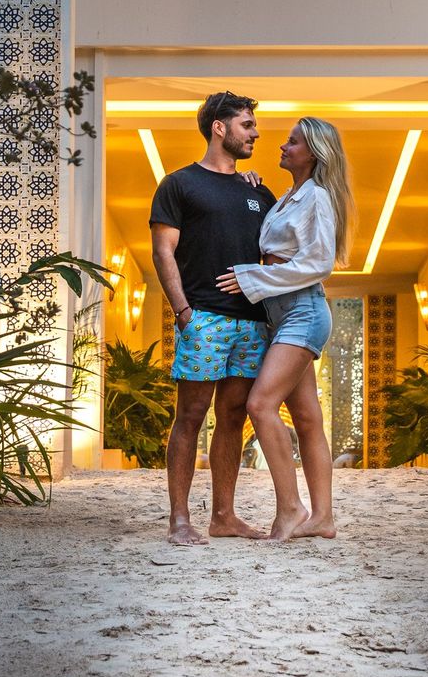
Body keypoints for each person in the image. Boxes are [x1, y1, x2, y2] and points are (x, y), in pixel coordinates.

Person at [215, 117, 354, 542]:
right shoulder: (287, 198)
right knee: (308, 419)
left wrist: (252, 277)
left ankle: (292, 508)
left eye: (292, 142)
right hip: (281, 316)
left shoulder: (318, 197)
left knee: (260, 405)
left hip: (303, 313)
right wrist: (248, 185)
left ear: (313, 152)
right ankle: (323, 518)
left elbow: (318, 264)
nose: (282, 146)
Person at [149, 90, 276, 546]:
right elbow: (163, 251)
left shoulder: (257, 191)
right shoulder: (179, 184)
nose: (255, 133)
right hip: (203, 319)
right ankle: (179, 520)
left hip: (251, 323)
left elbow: (275, 253)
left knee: (234, 416)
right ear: (219, 128)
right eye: (247, 125)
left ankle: (224, 516)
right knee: (190, 416)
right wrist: (183, 312)